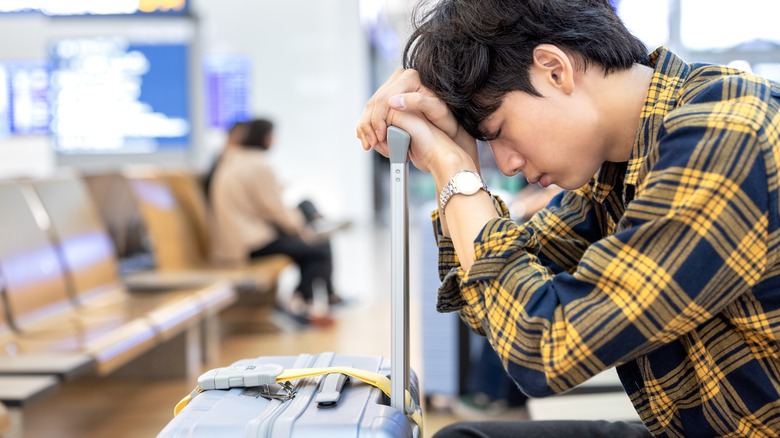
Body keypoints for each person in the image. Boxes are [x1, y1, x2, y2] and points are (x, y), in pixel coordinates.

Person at [356, 0, 780, 436]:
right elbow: (493, 305)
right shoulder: (617, 165)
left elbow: (541, 348)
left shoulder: (728, 134)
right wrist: (458, 154)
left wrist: (455, 172)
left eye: (498, 133)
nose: (506, 165)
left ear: (555, 70)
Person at [210, 118, 344, 325]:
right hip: (249, 242)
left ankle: (305, 301)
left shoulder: (233, 159)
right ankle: (299, 302)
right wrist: (300, 230)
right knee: (317, 252)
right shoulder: (258, 164)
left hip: (237, 237)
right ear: (265, 137)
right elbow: (274, 209)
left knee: (312, 233)